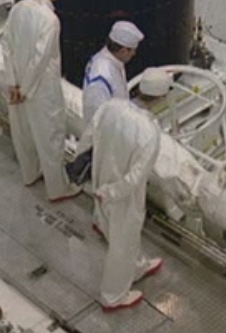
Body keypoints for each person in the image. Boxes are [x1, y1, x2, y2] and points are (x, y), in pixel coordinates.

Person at [90, 68, 171, 312]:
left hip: (102, 178)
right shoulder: (149, 132)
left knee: (119, 234)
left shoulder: (112, 107)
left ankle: (136, 267)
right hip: (121, 194)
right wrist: (112, 193)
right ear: (160, 97)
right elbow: (136, 177)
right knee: (122, 242)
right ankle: (113, 296)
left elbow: (91, 133)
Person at [3, 0, 80, 202]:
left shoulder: (18, 8)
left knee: (23, 132)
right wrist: (25, 90)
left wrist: (13, 84)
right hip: (40, 90)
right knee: (50, 137)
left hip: (15, 86)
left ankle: (29, 174)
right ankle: (57, 189)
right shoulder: (50, 19)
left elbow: (7, 46)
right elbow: (40, 58)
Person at [82, 20, 144, 126]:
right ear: (123, 51)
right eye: (133, 50)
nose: (134, 54)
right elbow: (98, 116)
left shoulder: (112, 61)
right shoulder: (101, 76)